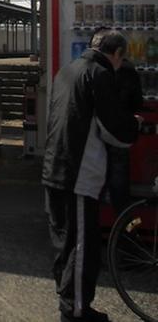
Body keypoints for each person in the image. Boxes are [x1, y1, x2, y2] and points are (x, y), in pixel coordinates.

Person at [42, 28, 140, 322]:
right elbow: (111, 127)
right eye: (121, 59)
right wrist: (134, 126)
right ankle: (78, 312)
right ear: (117, 54)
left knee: (64, 243)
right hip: (78, 175)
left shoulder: (67, 71)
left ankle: (68, 305)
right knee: (84, 248)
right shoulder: (100, 74)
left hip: (53, 170)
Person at [105, 58, 144, 214]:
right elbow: (137, 103)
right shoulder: (128, 68)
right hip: (121, 133)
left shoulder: (94, 67)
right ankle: (123, 223)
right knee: (119, 180)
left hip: (98, 133)